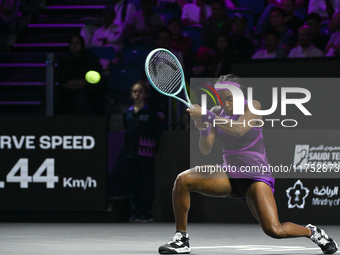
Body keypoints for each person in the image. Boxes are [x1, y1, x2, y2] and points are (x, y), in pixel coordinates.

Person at [158, 74, 338, 254]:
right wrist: (204, 129)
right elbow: (205, 149)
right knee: (183, 180)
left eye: (230, 98)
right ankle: (181, 239)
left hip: (255, 176)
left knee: (274, 230)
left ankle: (312, 232)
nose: (226, 104)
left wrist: (206, 115)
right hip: (229, 174)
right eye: (222, 98)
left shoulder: (253, 106)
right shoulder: (216, 110)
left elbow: (239, 129)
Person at [123, 81, 162, 222]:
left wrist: (152, 149)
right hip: (130, 154)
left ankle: (146, 213)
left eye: (140, 91)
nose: (137, 94)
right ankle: (134, 212)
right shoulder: (127, 113)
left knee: (146, 184)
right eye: (134, 91)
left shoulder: (150, 113)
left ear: (145, 95)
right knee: (132, 184)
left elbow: (157, 133)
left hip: (146, 154)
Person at [57, 35, 103, 115]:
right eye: (72, 43)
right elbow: (60, 75)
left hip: (87, 86)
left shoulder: (90, 57)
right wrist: (68, 83)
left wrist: (84, 82)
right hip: (67, 86)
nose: (74, 45)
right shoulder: (64, 58)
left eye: (77, 43)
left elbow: (97, 73)